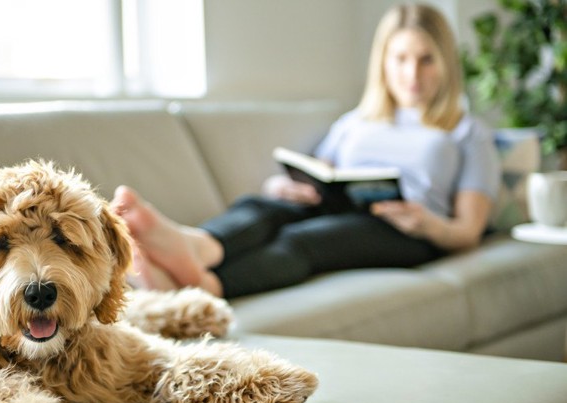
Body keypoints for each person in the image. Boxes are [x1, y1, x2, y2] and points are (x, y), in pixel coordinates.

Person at [111, 3, 500, 299]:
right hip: (338, 206)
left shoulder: (467, 132)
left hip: (406, 232)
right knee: (261, 208)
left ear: (445, 64)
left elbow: (468, 231)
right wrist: (283, 187)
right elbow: (320, 173)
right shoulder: (355, 122)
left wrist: (427, 224)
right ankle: (194, 246)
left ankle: (205, 286)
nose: (412, 74)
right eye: (400, 59)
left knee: (305, 239)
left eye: (426, 60)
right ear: (383, 62)